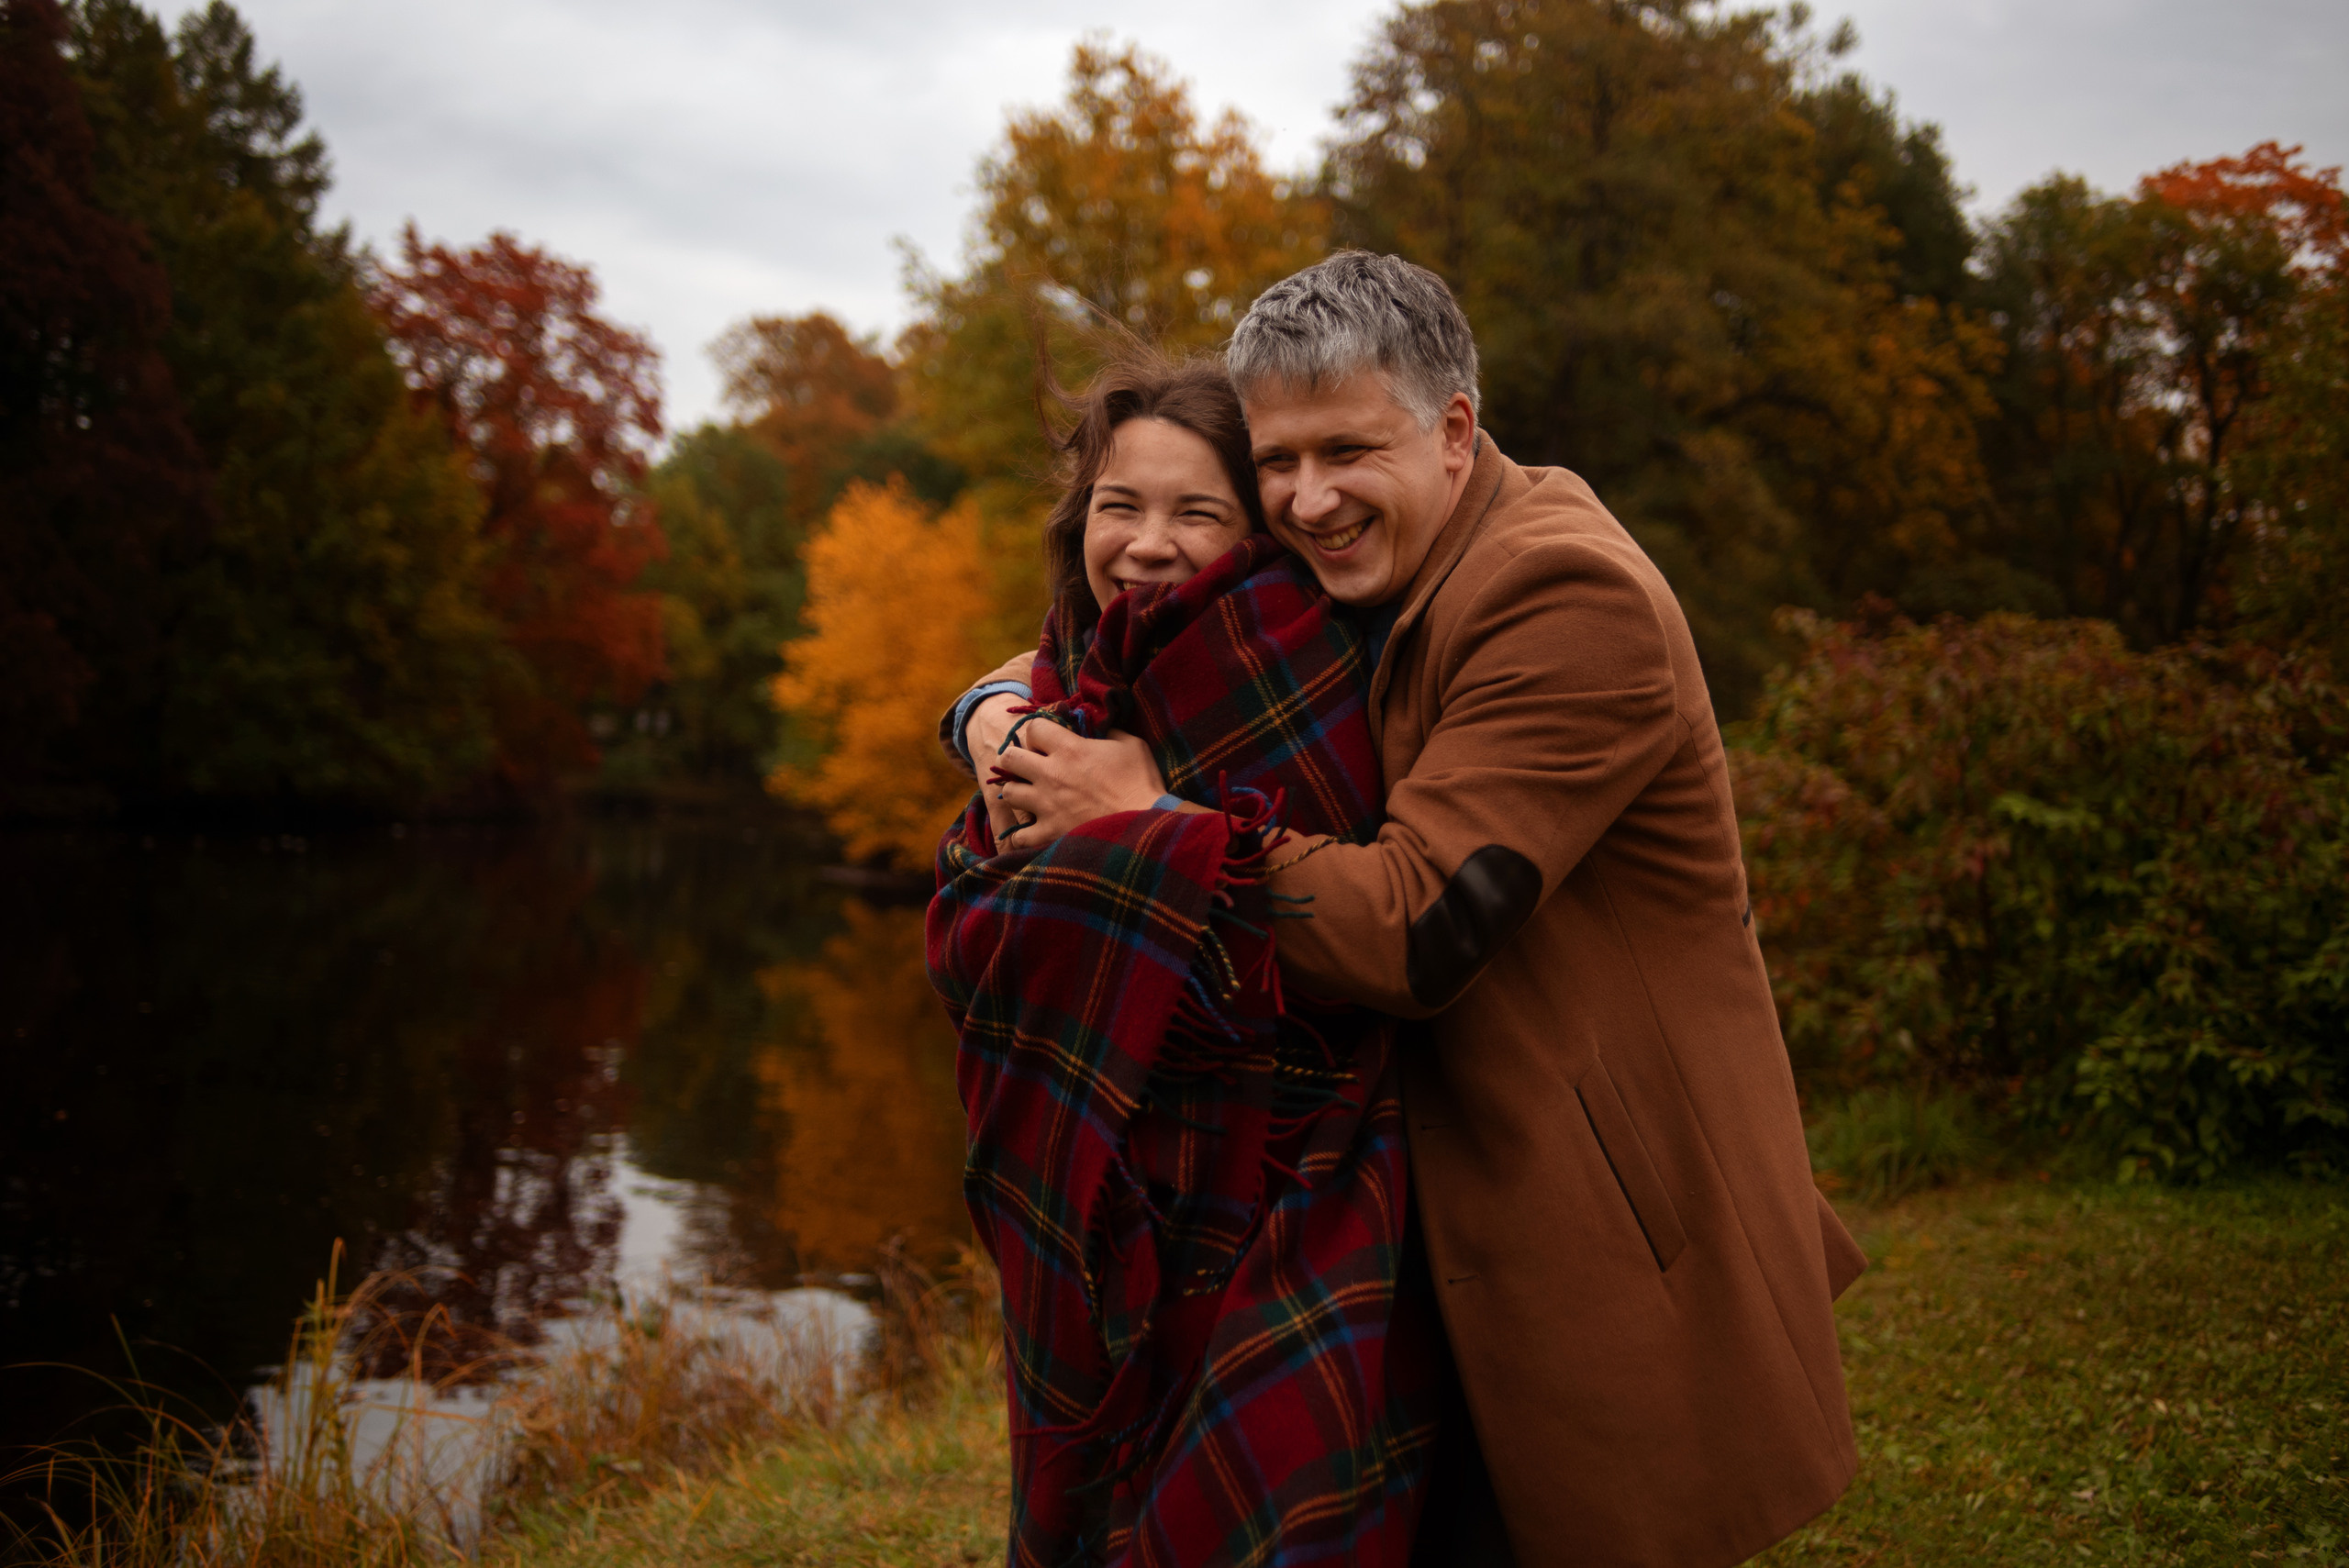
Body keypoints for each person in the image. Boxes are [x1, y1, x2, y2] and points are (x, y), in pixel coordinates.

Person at [953, 252, 1867, 1568]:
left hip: (1584, 1222)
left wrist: (1149, 821)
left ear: (1453, 428)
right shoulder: (1365, 560)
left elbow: (1416, 925)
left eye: (1348, 450)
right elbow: (1113, 629)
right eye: (1279, 462)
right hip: (1398, 1221)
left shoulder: (1568, 597)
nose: (1309, 499)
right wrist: (988, 712)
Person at [926, 353, 1438, 1567]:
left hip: (1291, 1169)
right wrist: (981, 715)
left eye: (1195, 511)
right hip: (1101, 1176)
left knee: (1262, 1503)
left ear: (1255, 530)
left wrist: (1156, 831)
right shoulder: (1075, 666)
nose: (1149, 544)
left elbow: (1343, 921)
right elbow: (987, 902)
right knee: (1104, 1495)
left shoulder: (1299, 658)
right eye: (1120, 505)